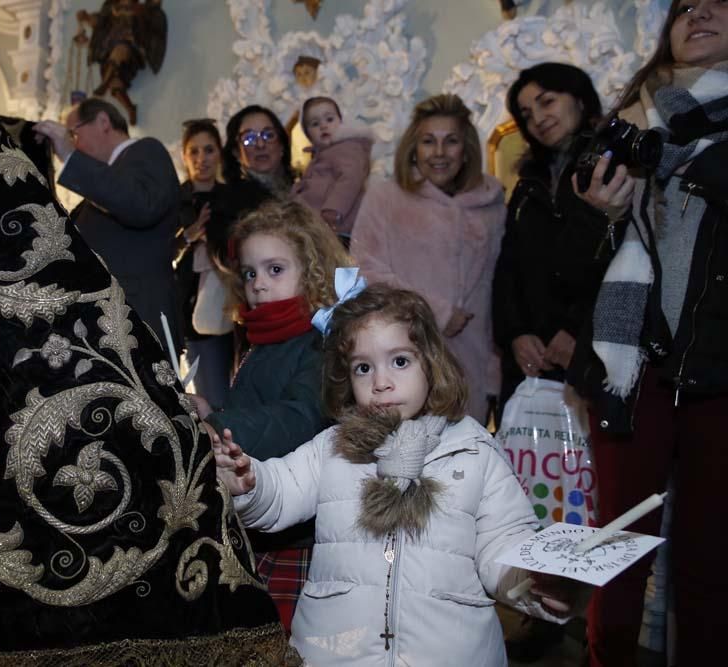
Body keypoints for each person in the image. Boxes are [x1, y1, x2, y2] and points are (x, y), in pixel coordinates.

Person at [213, 283, 577, 665]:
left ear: (431, 363)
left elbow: (505, 542)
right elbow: (282, 490)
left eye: (400, 361)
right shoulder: (333, 447)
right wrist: (249, 484)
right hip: (338, 651)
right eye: (363, 367)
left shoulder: (473, 451)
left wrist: (535, 580)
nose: (381, 382)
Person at [569, 1, 728, 664]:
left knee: (708, 555)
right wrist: (601, 212)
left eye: (719, 1)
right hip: (630, 360)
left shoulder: (660, 140)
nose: (700, 10)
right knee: (619, 544)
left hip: (720, 364)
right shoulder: (626, 122)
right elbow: (573, 259)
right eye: (685, 4)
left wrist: (666, 155)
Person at [192, 199, 350, 633]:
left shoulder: (321, 343)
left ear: (312, 269)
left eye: (275, 269)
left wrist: (222, 427)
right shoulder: (270, 337)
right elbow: (260, 406)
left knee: (286, 635)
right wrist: (214, 411)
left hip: (296, 528)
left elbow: (299, 418)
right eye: (250, 273)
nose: (259, 283)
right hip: (262, 510)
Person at [352, 93, 506, 422]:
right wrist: (435, 310)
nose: (439, 153)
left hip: (470, 367)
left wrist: (494, 374)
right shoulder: (385, 197)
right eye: (428, 141)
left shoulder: (491, 204)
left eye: (450, 141)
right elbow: (364, 269)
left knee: (463, 467)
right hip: (401, 360)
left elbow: (493, 291)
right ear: (413, 148)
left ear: (465, 149)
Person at [493, 63, 612, 421]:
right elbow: (509, 264)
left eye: (547, 102)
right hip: (534, 357)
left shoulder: (613, 163)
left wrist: (578, 329)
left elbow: (620, 255)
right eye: (527, 114)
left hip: (595, 347)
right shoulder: (529, 182)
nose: (539, 119)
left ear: (579, 99)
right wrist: (516, 334)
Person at [33, 98, 181, 350]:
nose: (72, 142)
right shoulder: (103, 187)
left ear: (103, 121)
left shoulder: (146, 150)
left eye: (73, 133)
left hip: (141, 320)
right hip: (106, 324)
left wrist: (70, 155)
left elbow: (140, 206)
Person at [174, 119, 233, 408]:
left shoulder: (233, 198)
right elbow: (160, 254)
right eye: (194, 151)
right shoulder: (173, 201)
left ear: (219, 154)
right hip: (191, 316)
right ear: (184, 157)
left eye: (208, 150)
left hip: (236, 312)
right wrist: (188, 236)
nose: (201, 159)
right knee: (211, 400)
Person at [205, 105, 296, 271]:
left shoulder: (307, 186)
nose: (261, 144)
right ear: (236, 153)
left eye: (269, 135)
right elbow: (224, 257)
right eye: (249, 139)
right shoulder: (225, 201)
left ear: (282, 145)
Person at [291, 96, 374, 245]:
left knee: (345, 263)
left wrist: (334, 209)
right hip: (322, 228)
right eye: (315, 124)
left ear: (341, 122)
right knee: (326, 264)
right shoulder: (320, 155)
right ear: (308, 134)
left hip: (341, 224)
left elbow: (351, 178)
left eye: (329, 119)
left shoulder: (347, 148)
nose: (323, 126)